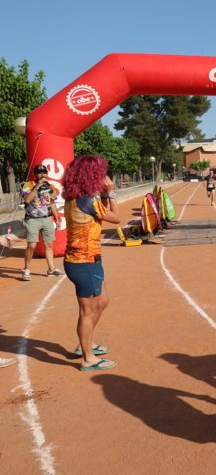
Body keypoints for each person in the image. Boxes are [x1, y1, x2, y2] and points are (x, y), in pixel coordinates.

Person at [62, 155, 120, 371]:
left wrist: (103, 196)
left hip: (87, 260)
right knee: (87, 312)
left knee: (102, 301)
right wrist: (111, 193)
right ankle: (87, 358)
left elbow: (101, 213)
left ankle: (86, 344)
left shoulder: (77, 198)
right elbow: (116, 217)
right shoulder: (87, 201)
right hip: (84, 262)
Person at [20, 164, 64, 281]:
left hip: (46, 218)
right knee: (32, 245)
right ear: (35, 174)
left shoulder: (50, 187)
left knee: (49, 244)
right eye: (39, 173)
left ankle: (51, 269)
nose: (42, 175)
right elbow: (27, 200)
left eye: (44, 172)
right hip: (32, 219)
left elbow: (52, 203)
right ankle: (26, 269)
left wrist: (56, 217)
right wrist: (37, 186)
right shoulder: (28, 185)